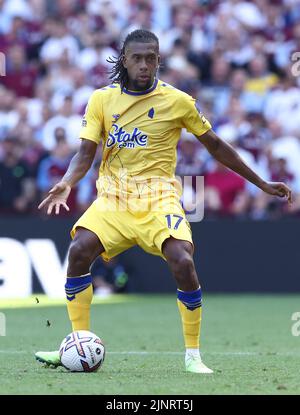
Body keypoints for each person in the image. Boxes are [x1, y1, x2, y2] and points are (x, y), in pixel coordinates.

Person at [35, 29, 292, 374]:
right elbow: (85, 153)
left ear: (159, 60)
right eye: (137, 58)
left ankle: (192, 356)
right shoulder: (101, 100)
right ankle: (78, 343)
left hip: (158, 198)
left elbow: (215, 145)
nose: (144, 64)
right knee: (79, 250)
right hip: (114, 198)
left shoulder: (178, 101)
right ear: (124, 60)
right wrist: (67, 182)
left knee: (182, 261)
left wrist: (260, 182)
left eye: (151, 58)